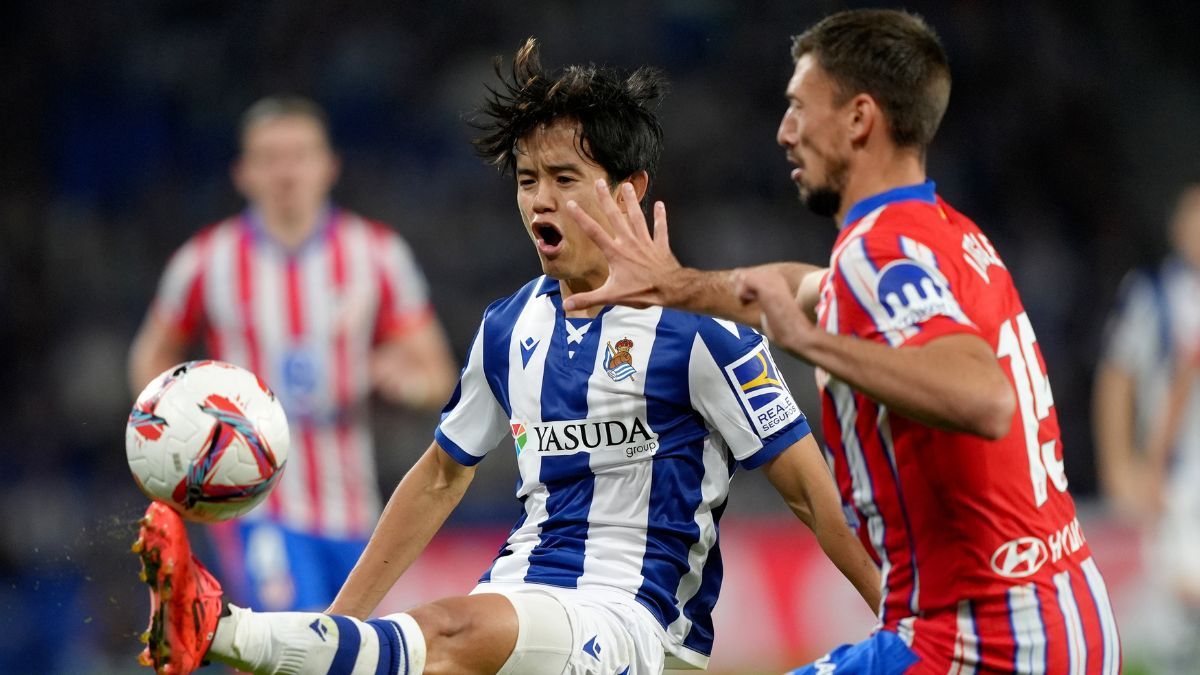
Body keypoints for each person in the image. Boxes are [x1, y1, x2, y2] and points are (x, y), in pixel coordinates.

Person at [131, 39, 880, 675]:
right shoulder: (510, 325)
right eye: (528, 182)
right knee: (457, 628)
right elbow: (438, 476)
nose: (539, 203)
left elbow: (810, 495)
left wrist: (905, 624)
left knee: (450, 628)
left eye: (563, 180)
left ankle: (221, 626)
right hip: (523, 591)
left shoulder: (704, 334)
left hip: (637, 623)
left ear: (630, 188)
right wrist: (337, 630)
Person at [561, 9, 1122, 674]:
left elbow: (984, 397)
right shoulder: (945, 234)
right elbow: (799, 287)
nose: (784, 132)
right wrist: (672, 285)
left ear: (859, 119)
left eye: (799, 108)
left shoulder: (877, 252)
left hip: (983, 638)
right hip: (1063, 608)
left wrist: (808, 342)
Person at [128, 95, 458, 613]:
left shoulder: (377, 255)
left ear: (329, 166)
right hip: (256, 503)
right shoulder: (204, 261)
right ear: (244, 173)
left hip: (356, 505)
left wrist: (404, 382)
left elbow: (436, 374)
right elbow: (150, 357)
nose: (286, 172)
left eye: (300, 155)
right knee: (291, 647)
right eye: (270, 158)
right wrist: (176, 437)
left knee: (351, 654)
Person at [1093, 184, 1200, 673]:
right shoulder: (1152, 293)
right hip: (1180, 484)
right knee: (1175, 628)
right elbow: (1118, 377)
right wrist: (1124, 466)